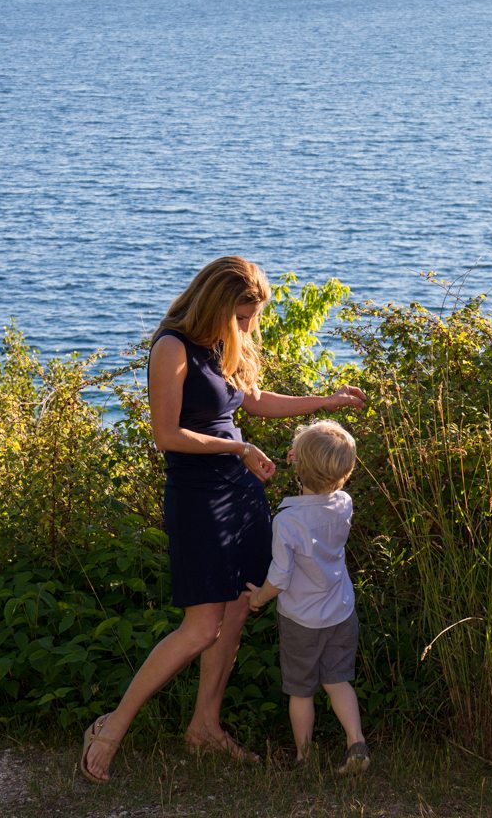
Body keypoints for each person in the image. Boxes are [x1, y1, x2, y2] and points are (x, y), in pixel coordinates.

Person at [80, 256, 365, 784]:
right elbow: (167, 434)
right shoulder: (172, 347)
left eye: (252, 317)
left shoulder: (224, 342)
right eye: (242, 316)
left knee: (236, 614)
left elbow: (254, 402)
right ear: (215, 303)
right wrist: (238, 449)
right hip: (198, 497)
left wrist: (327, 400)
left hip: (241, 492)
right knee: (201, 628)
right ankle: (112, 726)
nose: (249, 326)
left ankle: (204, 727)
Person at [244, 419, 370, 776]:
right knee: (337, 681)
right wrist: (305, 460)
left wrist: (259, 598)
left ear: (298, 465)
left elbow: (280, 577)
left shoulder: (288, 520)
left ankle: (304, 758)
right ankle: (356, 742)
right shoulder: (344, 503)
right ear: (346, 471)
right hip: (340, 611)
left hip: (301, 619)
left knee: (301, 691)